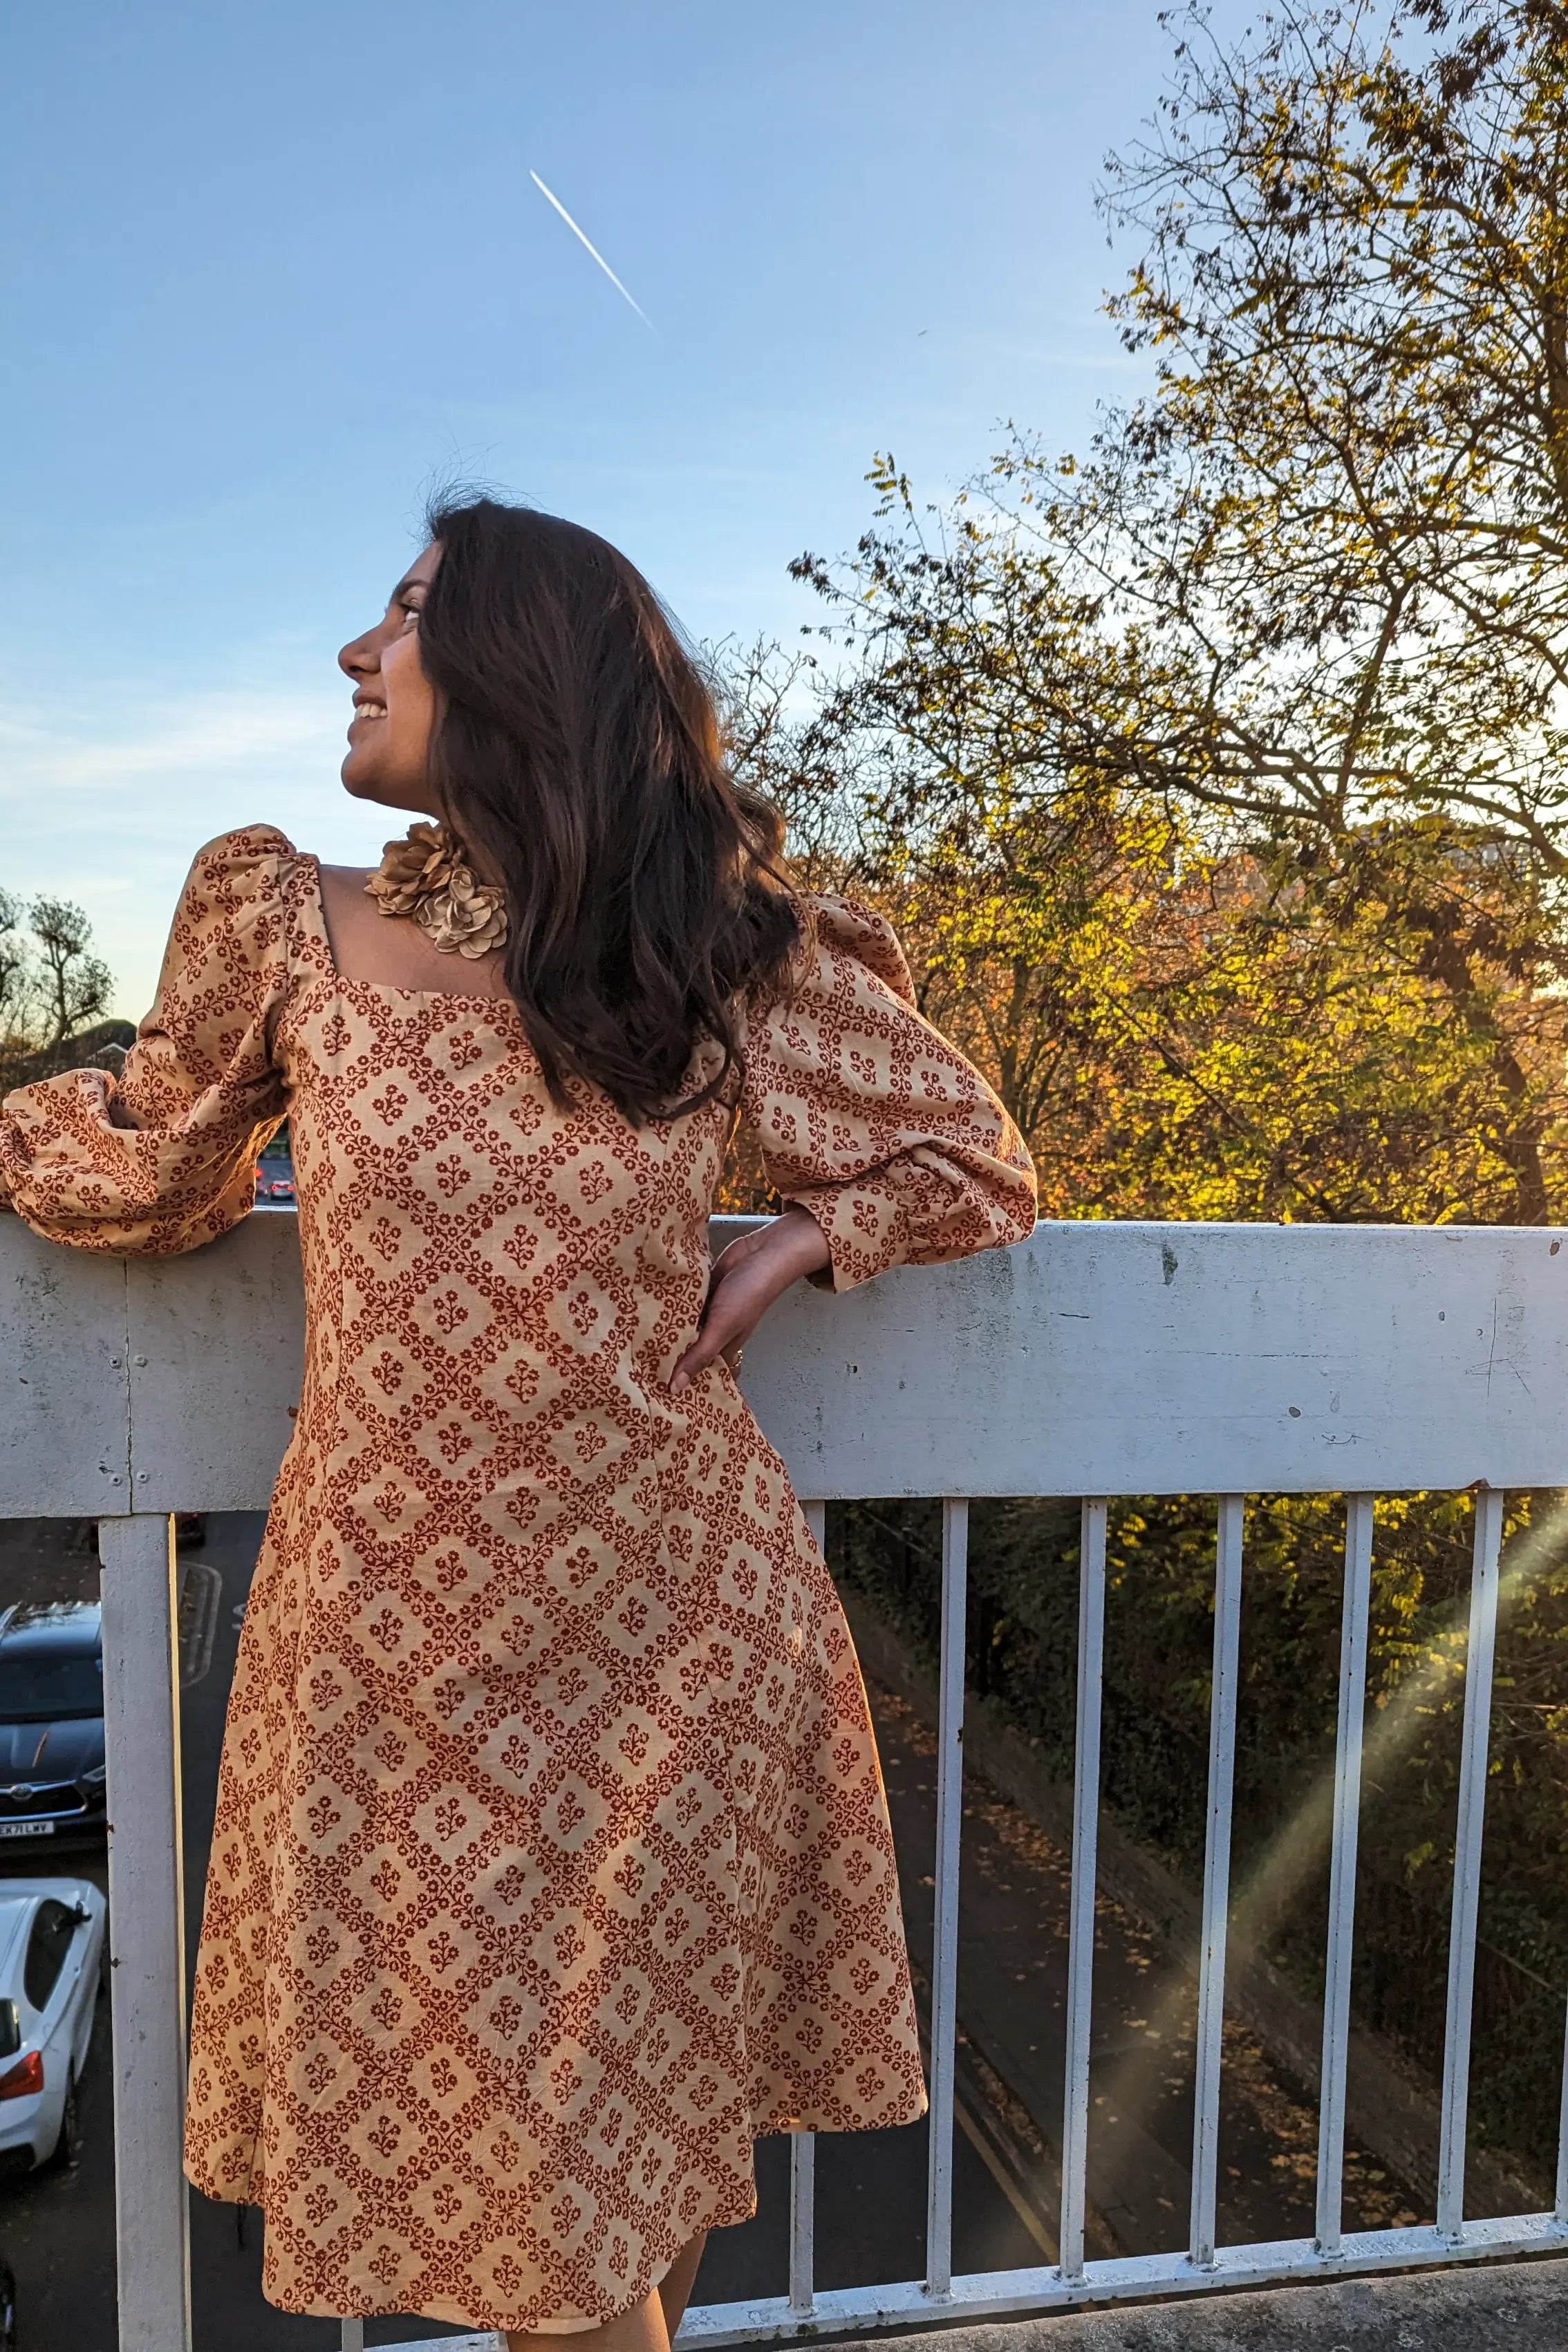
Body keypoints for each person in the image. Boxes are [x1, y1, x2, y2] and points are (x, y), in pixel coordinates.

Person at [0, 499, 1036, 2349]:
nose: (353, 651)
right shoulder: (285, 913)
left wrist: (813, 1231)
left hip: (673, 1649)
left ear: (513, 667)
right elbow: (151, 1172)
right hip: (395, 1672)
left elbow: (971, 1154)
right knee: (557, 2225)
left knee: (611, 2197)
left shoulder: (712, 948)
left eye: (399, 613)